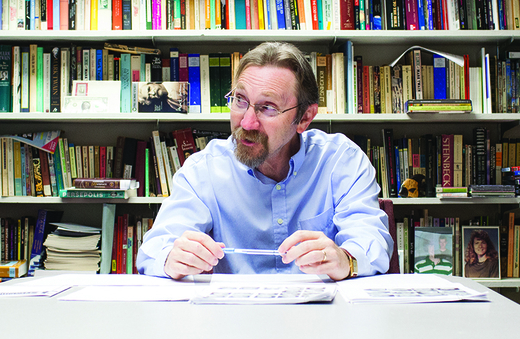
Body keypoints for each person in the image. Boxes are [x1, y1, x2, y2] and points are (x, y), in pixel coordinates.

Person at [137, 41, 391, 280]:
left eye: (267, 107)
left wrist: (346, 260)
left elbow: (371, 241)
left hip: (321, 317)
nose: (246, 123)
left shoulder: (340, 161)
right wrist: (172, 257)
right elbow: (154, 250)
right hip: (233, 319)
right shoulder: (203, 170)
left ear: (305, 118)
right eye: (240, 100)